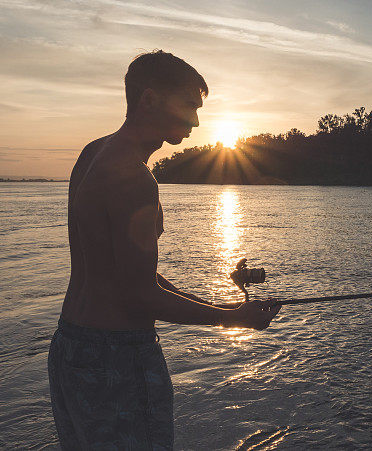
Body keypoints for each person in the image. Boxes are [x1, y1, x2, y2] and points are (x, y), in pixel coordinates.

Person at [47, 50, 281, 449]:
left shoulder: (92, 154)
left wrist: (226, 308)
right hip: (118, 359)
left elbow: (133, 277)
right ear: (150, 99)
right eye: (188, 104)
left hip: (71, 348)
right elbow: (139, 297)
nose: (195, 120)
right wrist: (235, 322)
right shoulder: (135, 179)